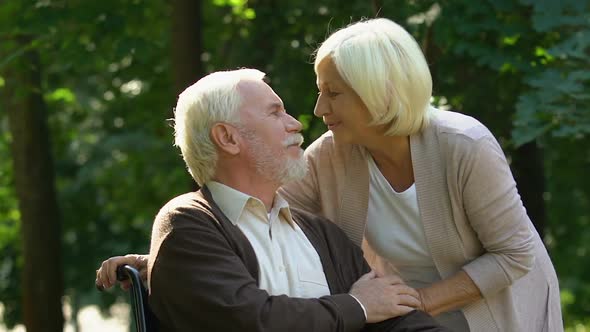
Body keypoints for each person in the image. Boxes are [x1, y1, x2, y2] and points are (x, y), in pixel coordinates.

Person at [97, 18, 563, 331]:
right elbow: (255, 222)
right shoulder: (328, 158)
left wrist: (400, 305)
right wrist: (163, 260)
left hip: (499, 306)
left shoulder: (465, 145)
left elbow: (512, 254)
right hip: (397, 306)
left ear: (377, 95)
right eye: (316, 95)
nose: (315, 112)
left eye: (333, 94)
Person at [97, 68, 448, 331]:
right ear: (228, 138)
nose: (296, 123)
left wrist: (367, 308)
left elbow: (397, 318)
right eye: (275, 112)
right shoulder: (188, 224)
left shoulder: (320, 234)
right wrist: (356, 306)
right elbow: (252, 321)